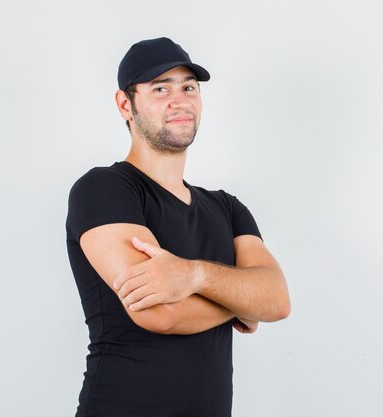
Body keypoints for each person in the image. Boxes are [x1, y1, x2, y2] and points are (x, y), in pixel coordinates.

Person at [65, 37, 291, 417]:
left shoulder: (227, 207)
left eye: (189, 87)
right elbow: (159, 313)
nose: (179, 100)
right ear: (125, 104)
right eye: (159, 89)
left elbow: (277, 300)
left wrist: (194, 276)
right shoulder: (104, 189)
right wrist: (241, 304)